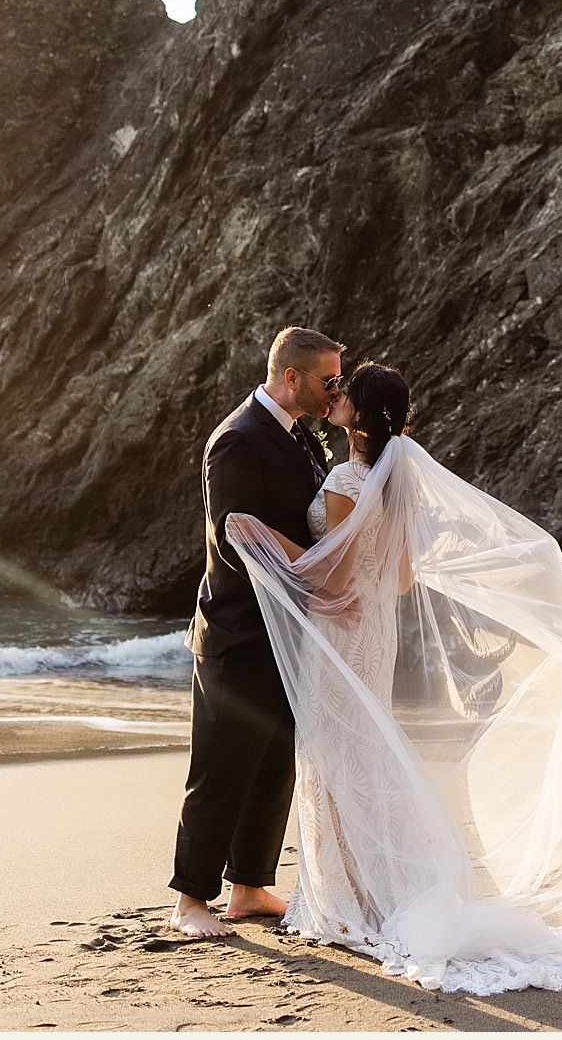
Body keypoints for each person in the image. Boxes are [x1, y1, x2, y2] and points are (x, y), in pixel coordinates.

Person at [220, 360, 562, 995]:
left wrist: (267, 541)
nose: (332, 399)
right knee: (360, 752)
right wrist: (349, 573)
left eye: (343, 394)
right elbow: (400, 578)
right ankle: (370, 896)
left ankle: (347, 904)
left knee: (335, 758)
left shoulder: (344, 476)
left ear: (357, 415)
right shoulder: (395, 481)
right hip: (375, 629)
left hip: (342, 632)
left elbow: (330, 580)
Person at [167, 326, 344, 940]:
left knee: (273, 764)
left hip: (289, 630)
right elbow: (231, 537)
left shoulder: (303, 436)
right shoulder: (238, 439)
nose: (335, 391)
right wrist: (311, 574)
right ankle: (191, 899)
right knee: (221, 765)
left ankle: (248, 886)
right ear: (291, 377)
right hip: (238, 632)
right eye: (328, 381)